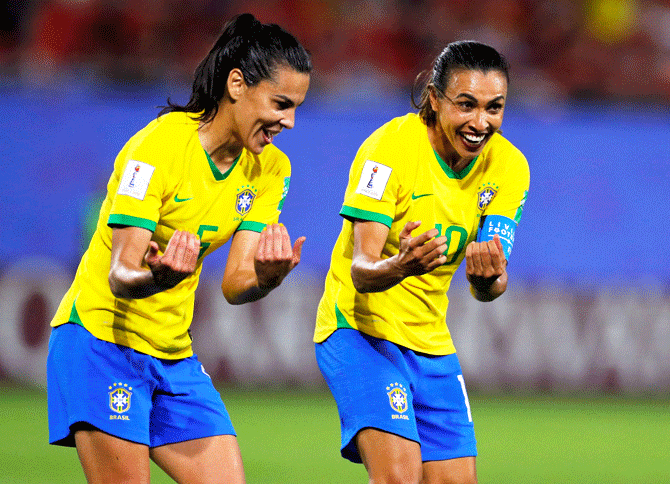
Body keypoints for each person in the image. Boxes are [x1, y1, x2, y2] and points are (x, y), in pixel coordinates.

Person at [47, 13, 311, 484]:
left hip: (173, 356)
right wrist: (159, 278)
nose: (288, 122)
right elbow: (121, 274)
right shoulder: (157, 149)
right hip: (102, 343)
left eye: (296, 108)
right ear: (237, 85)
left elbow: (234, 286)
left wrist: (267, 278)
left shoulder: (271, 169)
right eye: (280, 103)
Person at [314, 40, 529, 484]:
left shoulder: (509, 167)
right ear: (434, 98)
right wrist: (402, 266)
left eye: (494, 108)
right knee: (399, 478)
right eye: (466, 104)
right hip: (359, 332)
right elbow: (361, 269)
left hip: (430, 343)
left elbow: (489, 285)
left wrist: (488, 278)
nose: (480, 122)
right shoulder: (389, 151)